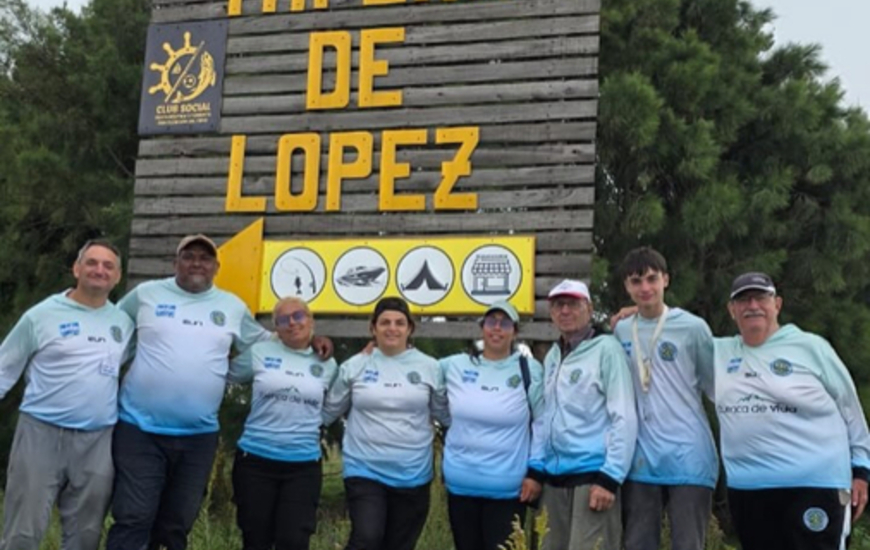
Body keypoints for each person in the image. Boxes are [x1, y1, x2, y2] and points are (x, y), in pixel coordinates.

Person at [107, 234, 331, 550]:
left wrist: (315, 340)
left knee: (177, 525)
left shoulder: (232, 306)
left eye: (205, 258)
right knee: (135, 517)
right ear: (175, 263)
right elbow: (110, 328)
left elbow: (273, 337)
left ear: (216, 266)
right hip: (139, 429)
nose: (197, 262)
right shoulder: (146, 294)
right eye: (189, 256)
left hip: (198, 437)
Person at [714, 272, 870, 550]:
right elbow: (669, 334)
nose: (752, 306)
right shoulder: (717, 353)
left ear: (777, 304)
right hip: (749, 490)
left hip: (815, 485)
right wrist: (636, 312)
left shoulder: (811, 347)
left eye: (761, 298)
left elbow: (850, 408)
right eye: (743, 300)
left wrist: (862, 470)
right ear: (731, 310)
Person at [0, 239, 135, 550]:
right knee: (24, 529)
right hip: (41, 433)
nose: (99, 270)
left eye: (108, 266)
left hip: (97, 439)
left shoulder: (123, 324)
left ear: (116, 277)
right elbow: (4, 368)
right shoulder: (40, 316)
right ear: (76, 268)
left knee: (86, 534)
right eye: (91, 262)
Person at [611, 247, 717, 550]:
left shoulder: (693, 328)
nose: (645, 288)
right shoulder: (620, 330)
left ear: (666, 280)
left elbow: (715, 388)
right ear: (627, 287)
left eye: (651, 279)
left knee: (688, 544)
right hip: (641, 457)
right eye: (636, 281)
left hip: (688, 455)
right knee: (637, 543)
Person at [322, 296, 448, 550]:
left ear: (410, 329)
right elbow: (328, 411)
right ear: (373, 328)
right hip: (365, 469)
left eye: (400, 323)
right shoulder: (354, 366)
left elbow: (444, 415)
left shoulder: (430, 367)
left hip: (413, 475)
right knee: (366, 538)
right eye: (385, 322)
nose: (392, 328)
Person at [531, 279, 637, 550]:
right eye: (558, 305)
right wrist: (538, 468)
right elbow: (545, 417)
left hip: (593, 479)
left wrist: (611, 477)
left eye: (573, 304)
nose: (565, 311)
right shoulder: (554, 354)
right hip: (554, 479)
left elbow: (623, 415)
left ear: (589, 309)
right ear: (552, 312)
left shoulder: (607, 349)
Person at [228, 297, 338, 550]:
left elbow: (335, 404)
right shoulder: (260, 352)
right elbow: (225, 373)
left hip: (302, 466)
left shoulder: (327, 363)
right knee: (256, 540)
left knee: (294, 540)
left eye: (298, 316)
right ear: (275, 327)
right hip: (255, 460)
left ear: (311, 320)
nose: (292, 323)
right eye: (283, 320)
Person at [439, 300, 545, 550]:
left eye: (505, 323)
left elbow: (542, 422)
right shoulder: (455, 365)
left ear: (515, 331)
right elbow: (413, 366)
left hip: (508, 490)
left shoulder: (529, 369)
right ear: (481, 327)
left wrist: (535, 472)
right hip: (461, 487)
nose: (497, 328)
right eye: (491, 322)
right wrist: (373, 349)